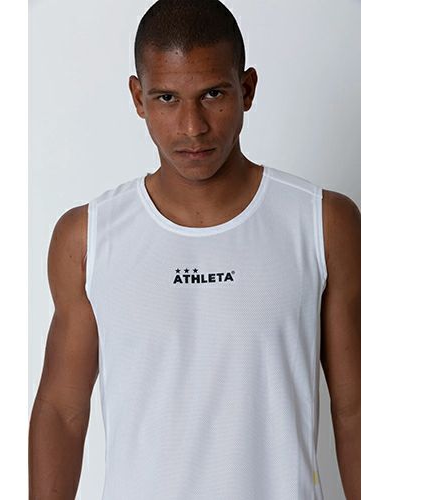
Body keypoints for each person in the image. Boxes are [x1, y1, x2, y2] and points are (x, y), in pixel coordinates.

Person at [28, 0, 361, 498]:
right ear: (138, 97)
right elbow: (62, 410)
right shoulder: (88, 236)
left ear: (246, 89)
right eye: (166, 98)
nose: (192, 127)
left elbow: (355, 408)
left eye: (212, 94)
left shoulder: (322, 221)